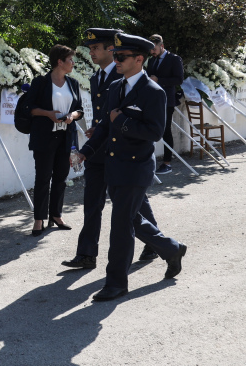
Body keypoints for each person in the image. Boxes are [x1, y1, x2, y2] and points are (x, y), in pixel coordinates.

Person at [71, 33, 187, 301]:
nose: (117, 60)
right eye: (116, 56)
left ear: (139, 59)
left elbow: (155, 132)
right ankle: (171, 249)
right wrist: (86, 153)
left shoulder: (153, 92)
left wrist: (122, 121)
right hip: (114, 165)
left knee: (121, 224)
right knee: (132, 218)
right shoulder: (115, 87)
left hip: (136, 168)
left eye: (121, 57)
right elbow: (103, 127)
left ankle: (116, 283)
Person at [62, 29, 161, 270]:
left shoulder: (127, 80)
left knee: (134, 205)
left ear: (111, 50)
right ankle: (86, 253)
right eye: (90, 49)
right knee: (92, 202)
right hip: (99, 150)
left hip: (123, 152)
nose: (91, 53)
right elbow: (103, 118)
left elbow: (137, 122)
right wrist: (92, 139)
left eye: (96, 48)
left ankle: (155, 242)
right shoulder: (98, 78)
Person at [21, 45, 83, 236]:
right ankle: (39, 219)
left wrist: (72, 115)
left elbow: (79, 110)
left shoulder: (73, 83)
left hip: (66, 136)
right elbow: (29, 108)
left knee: (61, 178)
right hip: (45, 137)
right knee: (42, 178)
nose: (73, 63)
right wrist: (48, 114)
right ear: (60, 61)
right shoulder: (41, 82)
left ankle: (56, 215)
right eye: (70, 60)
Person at [147, 34, 184, 175]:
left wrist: (159, 80)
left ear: (161, 46)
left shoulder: (174, 59)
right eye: (150, 50)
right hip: (152, 101)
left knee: (165, 130)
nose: (152, 52)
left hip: (167, 100)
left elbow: (178, 79)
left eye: (154, 49)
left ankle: (167, 162)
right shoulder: (151, 61)